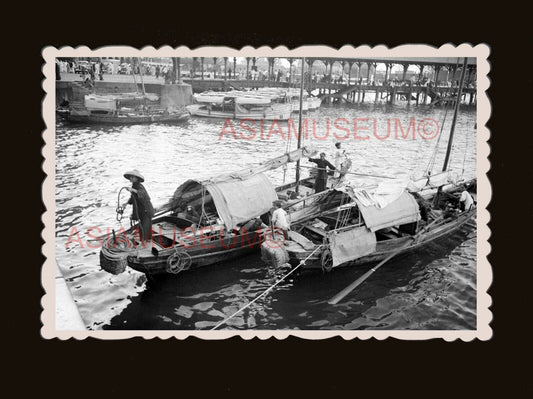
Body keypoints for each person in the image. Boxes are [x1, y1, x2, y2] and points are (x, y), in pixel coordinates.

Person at [121, 170, 155, 243]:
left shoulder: (140, 186)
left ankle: (145, 243)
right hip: (141, 210)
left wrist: (132, 190)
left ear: (137, 178)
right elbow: (133, 198)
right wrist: (126, 204)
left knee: (145, 227)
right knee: (142, 227)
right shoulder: (134, 186)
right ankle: (146, 240)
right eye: (130, 177)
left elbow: (142, 194)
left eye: (132, 177)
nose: (130, 178)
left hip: (146, 210)